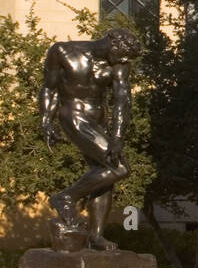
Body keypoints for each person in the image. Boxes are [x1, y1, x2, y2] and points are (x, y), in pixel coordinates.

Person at [40, 27, 142, 250]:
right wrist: (46, 120)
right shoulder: (63, 51)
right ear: (111, 43)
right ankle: (66, 197)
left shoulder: (119, 65)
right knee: (120, 168)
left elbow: (122, 101)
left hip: (99, 120)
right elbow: (49, 88)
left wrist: (117, 136)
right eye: (122, 54)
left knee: (104, 177)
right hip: (73, 116)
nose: (124, 60)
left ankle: (96, 237)